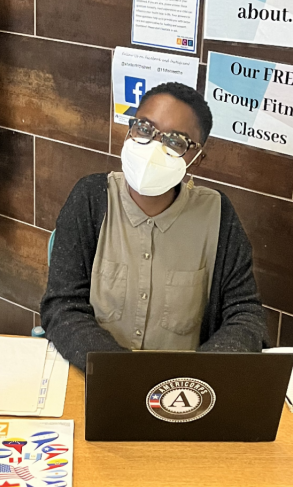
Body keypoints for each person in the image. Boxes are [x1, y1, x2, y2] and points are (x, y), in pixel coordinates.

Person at [40, 82, 269, 370]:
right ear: (130, 130)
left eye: (175, 142)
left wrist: (199, 376)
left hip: (182, 390)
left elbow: (245, 314)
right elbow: (62, 306)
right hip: (98, 376)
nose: (154, 148)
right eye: (145, 129)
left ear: (195, 159)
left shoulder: (217, 215)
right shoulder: (91, 198)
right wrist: (123, 374)